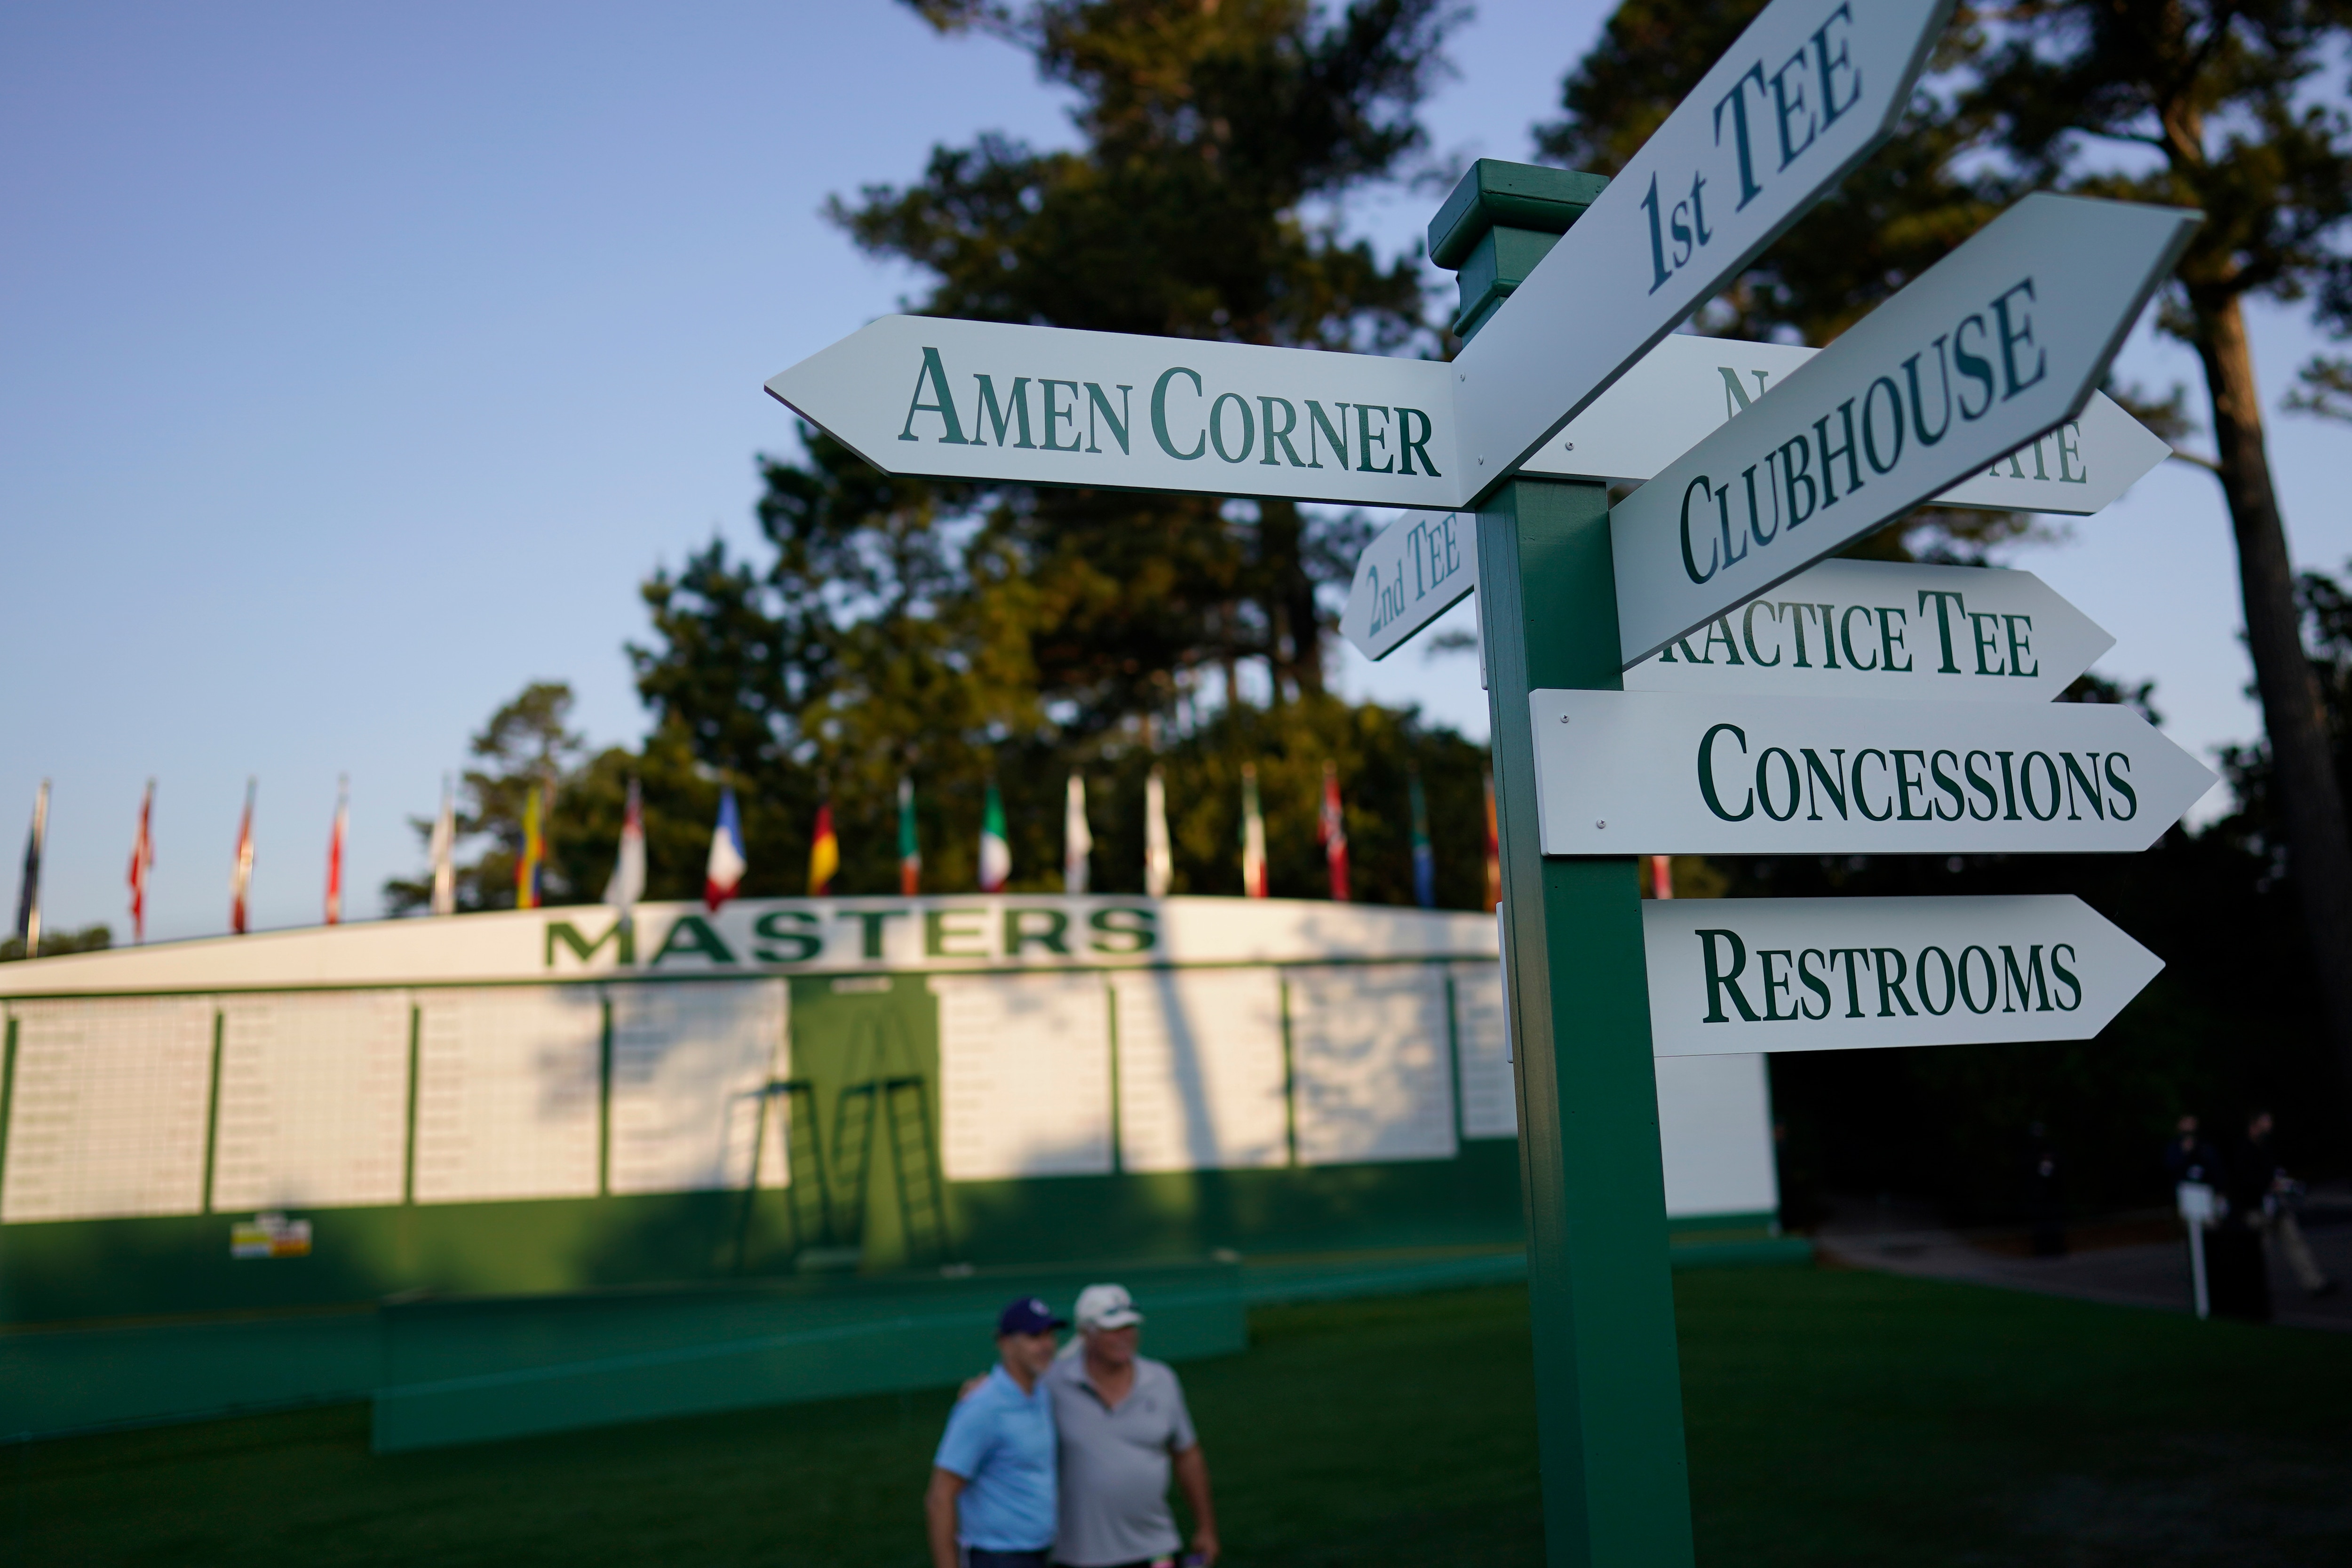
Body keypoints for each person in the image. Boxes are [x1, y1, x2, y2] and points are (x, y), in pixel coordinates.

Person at [1044, 1283, 1219, 1568]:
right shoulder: (1053, 1384)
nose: (1125, 1336)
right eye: (1113, 1329)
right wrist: (978, 1388)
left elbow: (1188, 1455)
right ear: (1086, 1334)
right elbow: (1011, 1393)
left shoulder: (1162, 1380)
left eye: (1130, 1326)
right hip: (1078, 1556)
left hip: (1156, 1547)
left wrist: (1207, 1529)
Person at [928, 1296, 1067, 1568]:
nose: (1046, 1345)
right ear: (1005, 1342)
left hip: (1039, 1554)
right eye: (1034, 1336)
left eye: (1050, 1335)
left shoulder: (1042, 1393)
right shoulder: (982, 1407)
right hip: (995, 1558)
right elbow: (940, 1496)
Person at [2231, 1109, 2338, 1298]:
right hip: (2256, 1209)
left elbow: (2273, 1173)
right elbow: (2244, 1181)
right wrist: (2267, 1185)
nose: (2269, 1127)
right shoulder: (2244, 1150)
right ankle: (2249, 1290)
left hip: (2275, 1206)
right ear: (2254, 1126)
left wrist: (2282, 1184)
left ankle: (2315, 1283)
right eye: (2265, 1123)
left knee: (2295, 1242)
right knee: (2256, 1253)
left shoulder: (2267, 1147)